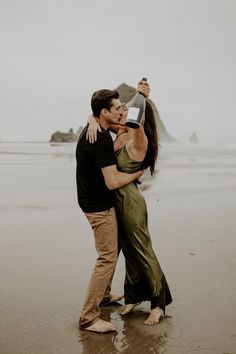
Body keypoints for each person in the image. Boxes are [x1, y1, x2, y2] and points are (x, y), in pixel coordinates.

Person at [87, 80, 172, 326]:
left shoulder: (138, 139)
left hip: (130, 203)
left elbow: (134, 121)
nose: (122, 112)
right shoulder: (120, 133)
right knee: (128, 251)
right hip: (115, 203)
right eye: (120, 110)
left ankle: (159, 304)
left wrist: (140, 98)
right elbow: (99, 114)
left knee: (142, 250)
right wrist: (93, 120)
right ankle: (134, 297)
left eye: (126, 110)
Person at [75, 88, 143, 333]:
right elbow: (112, 181)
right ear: (104, 112)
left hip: (93, 200)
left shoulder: (99, 128)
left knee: (113, 249)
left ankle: (103, 296)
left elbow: (124, 127)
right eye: (116, 109)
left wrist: (92, 119)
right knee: (107, 257)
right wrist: (137, 173)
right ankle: (88, 318)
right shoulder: (100, 138)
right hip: (98, 205)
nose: (121, 112)